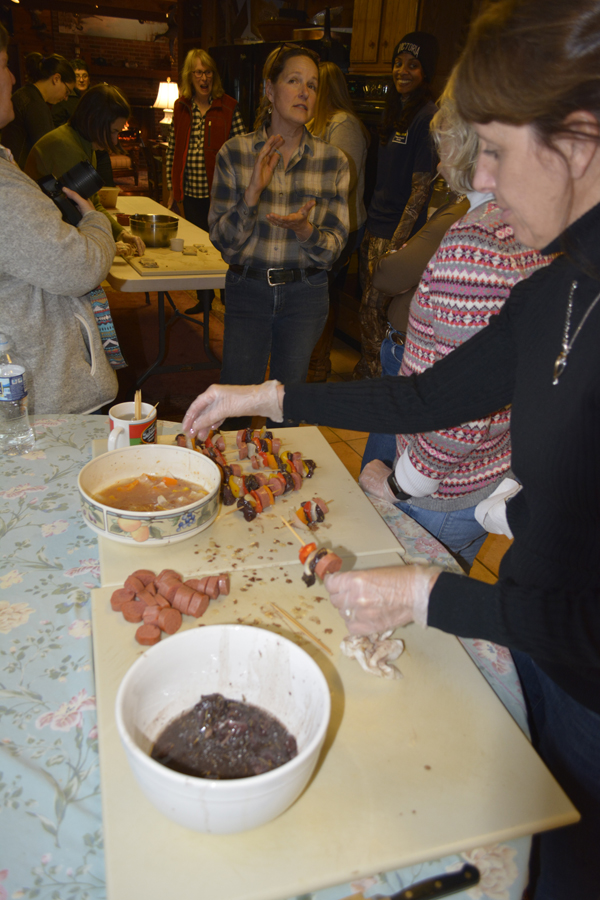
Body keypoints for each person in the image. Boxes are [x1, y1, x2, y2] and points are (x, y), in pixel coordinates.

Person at [182, 0, 600, 894]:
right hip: (538, 656)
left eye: (493, 148)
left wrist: (424, 593)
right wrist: (270, 394)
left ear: (578, 139)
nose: (477, 181)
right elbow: (422, 394)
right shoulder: (558, 289)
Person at [359, 84, 550, 570]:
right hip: (486, 473)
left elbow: (460, 408)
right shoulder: (525, 225)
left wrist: (402, 482)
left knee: (409, 616)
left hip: (441, 493)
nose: (438, 151)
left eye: (442, 136)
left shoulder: (474, 243)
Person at [208, 44, 349, 427]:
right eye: (294, 81)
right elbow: (224, 244)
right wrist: (251, 194)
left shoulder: (333, 161)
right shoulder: (235, 154)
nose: (305, 92)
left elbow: (332, 249)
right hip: (248, 290)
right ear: (270, 90)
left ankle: (278, 484)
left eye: (313, 85)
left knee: (288, 410)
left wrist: (306, 230)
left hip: (305, 294)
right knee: (235, 407)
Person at [0, 24, 118, 414]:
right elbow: (80, 267)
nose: (14, 76)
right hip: (40, 394)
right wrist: (95, 222)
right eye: (4, 64)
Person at [353, 31, 439, 380]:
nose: (402, 71)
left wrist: (396, 247)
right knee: (368, 312)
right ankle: (368, 375)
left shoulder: (427, 118)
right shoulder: (395, 111)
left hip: (393, 236)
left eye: (413, 66)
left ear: (425, 73)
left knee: (374, 312)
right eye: (398, 63)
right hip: (375, 228)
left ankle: (377, 384)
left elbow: (420, 191)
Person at [166, 48, 245, 315]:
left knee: (223, 246)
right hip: (189, 192)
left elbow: (241, 150)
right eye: (198, 72)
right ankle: (204, 298)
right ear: (190, 76)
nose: (204, 77)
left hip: (220, 195)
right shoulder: (181, 107)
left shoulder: (228, 106)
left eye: (208, 71)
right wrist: (171, 189)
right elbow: (173, 149)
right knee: (197, 248)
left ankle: (228, 296)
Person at [24, 84, 144, 255]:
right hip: (40, 244)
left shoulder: (84, 143)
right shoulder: (66, 147)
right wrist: (106, 244)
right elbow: (72, 217)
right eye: (113, 131)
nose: (115, 141)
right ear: (95, 121)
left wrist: (121, 234)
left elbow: (91, 204)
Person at [307, 60, 369, 381]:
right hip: (318, 226)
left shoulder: (343, 124)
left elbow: (342, 182)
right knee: (313, 294)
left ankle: (318, 367)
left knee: (321, 297)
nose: (304, 92)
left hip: (341, 228)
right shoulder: (317, 123)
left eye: (311, 85)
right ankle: (310, 363)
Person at [1, 53, 75, 168]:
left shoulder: (27, 94)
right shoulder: (34, 103)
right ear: (56, 79)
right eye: (67, 91)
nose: (66, 98)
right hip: (17, 173)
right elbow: (47, 150)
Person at [52, 58, 90, 126]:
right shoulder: (63, 99)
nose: (81, 80)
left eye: (85, 76)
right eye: (77, 76)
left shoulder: (93, 97)